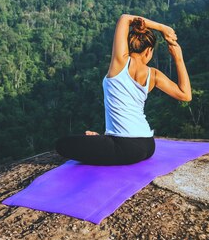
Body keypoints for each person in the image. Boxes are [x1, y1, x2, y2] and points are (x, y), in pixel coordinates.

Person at [55, 14, 192, 165]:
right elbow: (185, 95)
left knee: (62, 145)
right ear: (148, 51)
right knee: (101, 142)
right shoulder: (153, 74)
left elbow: (125, 18)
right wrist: (178, 58)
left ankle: (104, 141)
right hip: (148, 145)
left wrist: (163, 28)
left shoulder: (120, 62)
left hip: (126, 148)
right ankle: (103, 140)